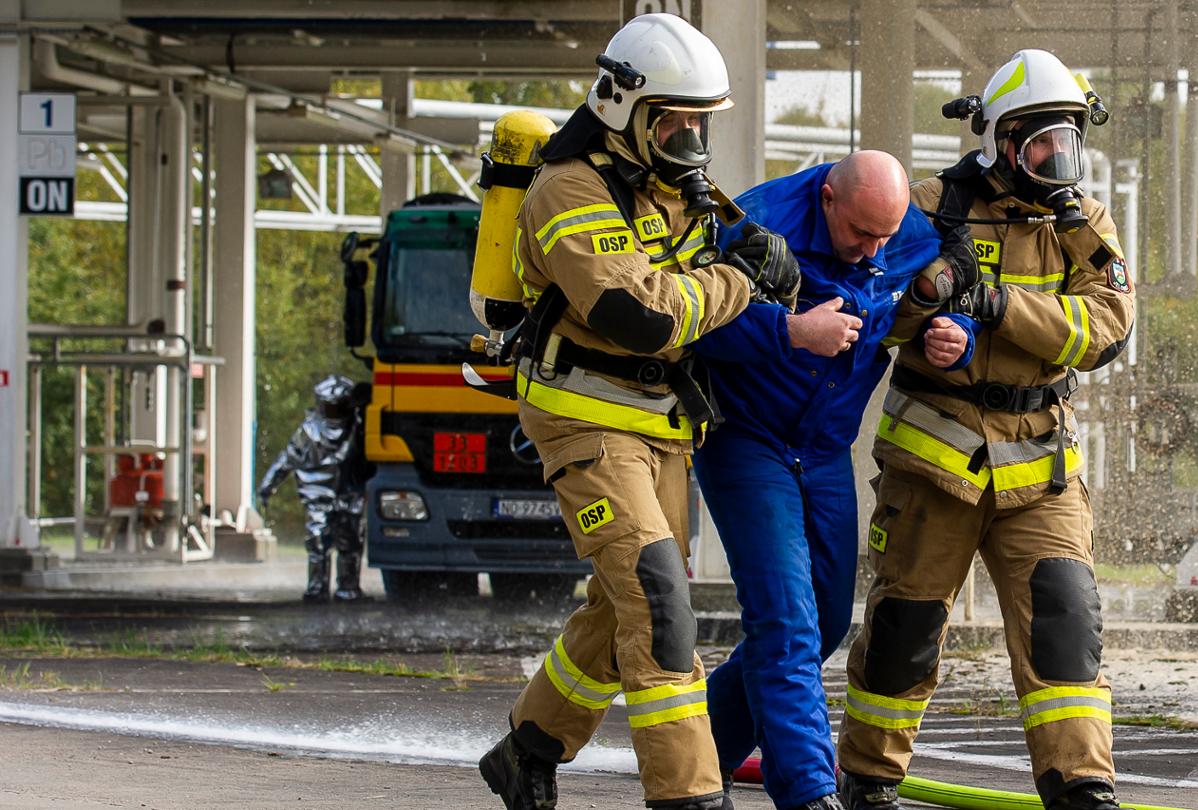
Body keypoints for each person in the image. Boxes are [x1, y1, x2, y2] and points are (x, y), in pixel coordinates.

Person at [475, 13, 801, 810]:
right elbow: (644, 315)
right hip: (584, 418)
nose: (692, 139)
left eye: (701, 123)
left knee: (617, 606)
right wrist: (738, 282)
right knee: (659, 604)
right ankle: (689, 794)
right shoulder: (568, 189)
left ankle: (527, 748)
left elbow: (753, 269)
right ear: (625, 108)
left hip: (660, 425)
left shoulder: (674, 187)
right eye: (676, 121)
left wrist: (765, 263)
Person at [836, 50, 1135, 810]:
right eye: (1042, 143)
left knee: (1066, 626)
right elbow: (870, 310)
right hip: (936, 467)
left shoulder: (1083, 224)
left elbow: (1106, 329)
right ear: (1003, 141)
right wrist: (928, 306)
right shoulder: (932, 207)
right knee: (905, 630)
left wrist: (997, 306)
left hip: (1040, 468)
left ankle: (1083, 785)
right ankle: (868, 781)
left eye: (1068, 139)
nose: (1057, 158)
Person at [690, 150, 977, 810]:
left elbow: (949, 294)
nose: (874, 249)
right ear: (827, 198)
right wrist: (789, 331)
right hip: (747, 441)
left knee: (820, 624)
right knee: (786, 621)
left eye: (886, 236)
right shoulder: (757, 222)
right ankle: (809, 791)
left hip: (824, 451)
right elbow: (695, 324)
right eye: (860, 234)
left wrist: (954, 332)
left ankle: (695, 756)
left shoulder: (903, 229)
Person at [258, 374, 367, 603]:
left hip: (349, 496)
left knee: (351, 542)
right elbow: (286, 460)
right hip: (318, 497)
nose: (336, 412)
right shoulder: (309, 431)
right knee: (318, 543)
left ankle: (348, 587)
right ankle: (317, 587)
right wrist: (267, 487)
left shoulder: (359, 427)